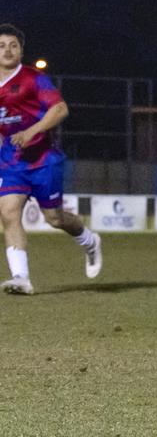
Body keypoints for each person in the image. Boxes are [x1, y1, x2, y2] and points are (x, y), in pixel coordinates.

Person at [0, 24, 103, 294]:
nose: (7, 50)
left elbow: (60, 109)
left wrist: (31, 131)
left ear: (21, 50)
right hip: (11, 163)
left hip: (43, 160)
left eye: (13, 45)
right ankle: (21, 277)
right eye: (1, 46)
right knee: (9, 213)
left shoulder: (34, 79)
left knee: (54, 219)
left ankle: (89, 241)